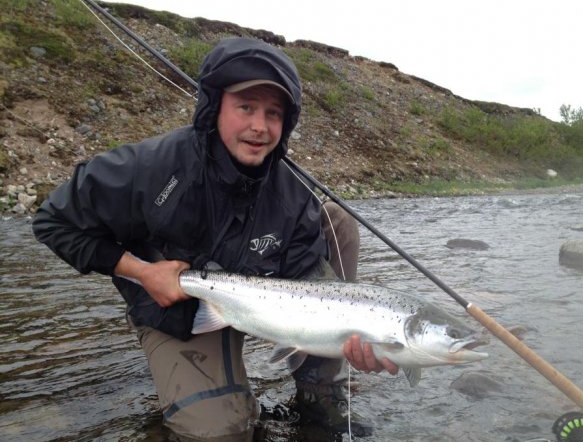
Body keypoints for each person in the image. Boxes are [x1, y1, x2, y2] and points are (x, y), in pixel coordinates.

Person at [32, 37, 398, 441]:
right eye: (246, 107)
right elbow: (53, 221)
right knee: (220, 432)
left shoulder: (293, 195)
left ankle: (319, 389)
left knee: (336, 220)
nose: (260, 126)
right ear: (215, 106)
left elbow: (310, 284)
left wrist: (353, 336)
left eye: (273, 113)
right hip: (177, 311)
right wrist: (141, 272)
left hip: (262, 300)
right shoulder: (151, 167)